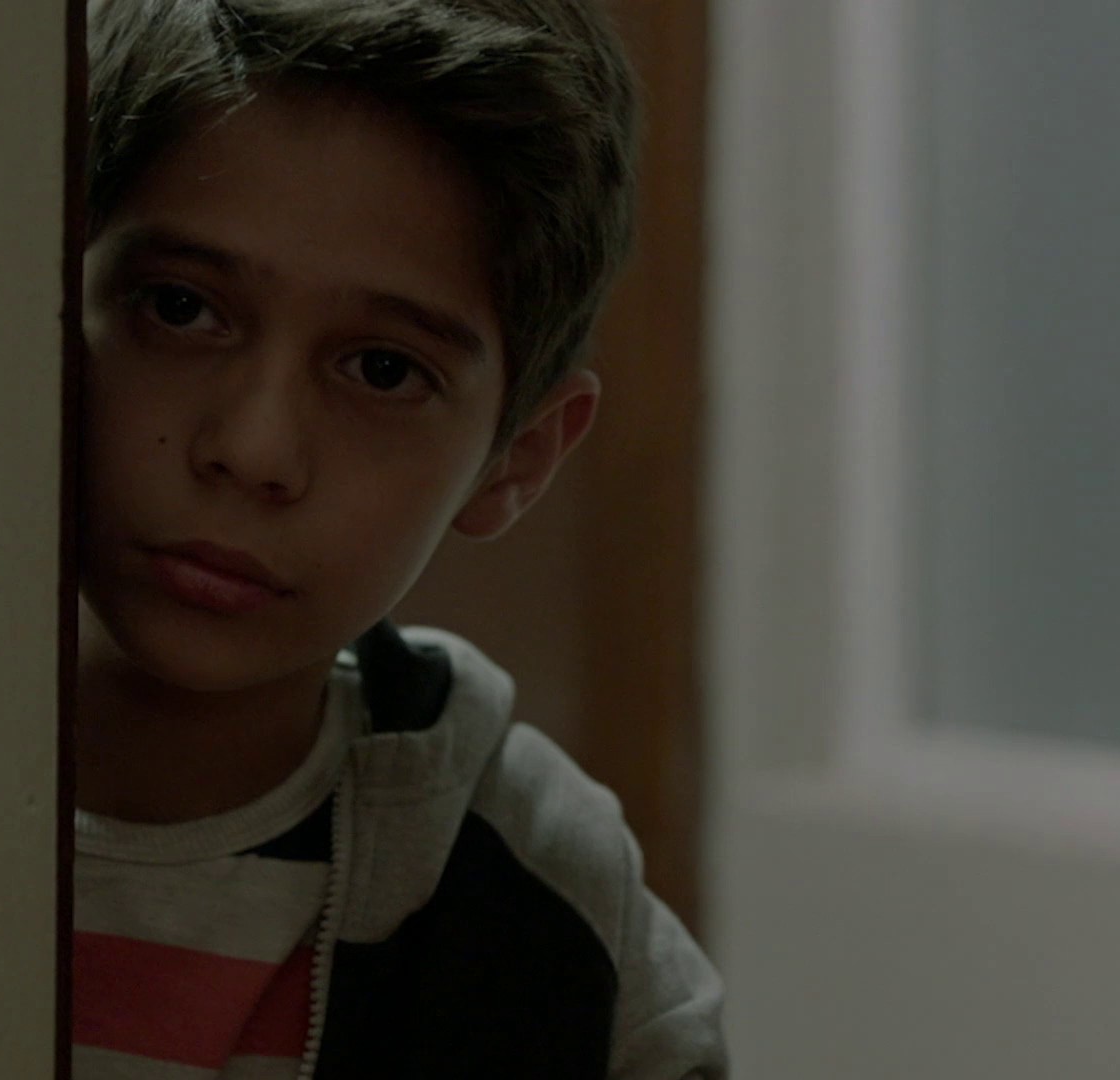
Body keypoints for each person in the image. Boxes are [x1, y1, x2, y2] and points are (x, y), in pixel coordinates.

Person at [69, 1, 727, 1076]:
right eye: (181, 308)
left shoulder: (544, 908)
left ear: (518, 458)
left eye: (382, 370)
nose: (254, 448)